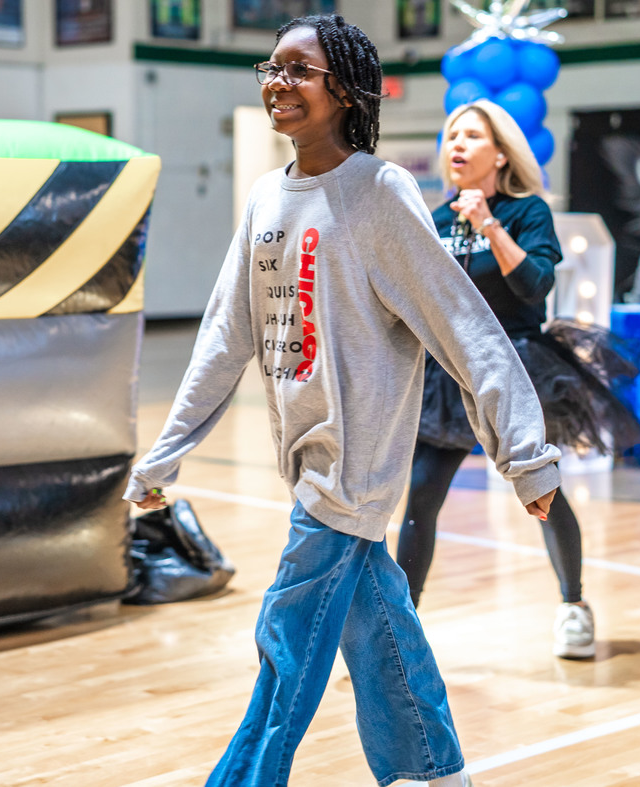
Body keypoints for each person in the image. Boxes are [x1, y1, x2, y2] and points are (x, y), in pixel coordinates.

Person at [124, 15, 561, 787]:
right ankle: (433, 771)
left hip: (351, 469)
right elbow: (225, 339)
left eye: (300, 69)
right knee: (377, 626)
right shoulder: (264, 200)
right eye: (273, 66)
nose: (278, 82)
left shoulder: (377, 192)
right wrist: (165, 455)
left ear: (346, 90)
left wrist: (524, 454)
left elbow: (464, 326)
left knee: (286, 642)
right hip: (305, 462)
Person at [396, 99, 640, 660]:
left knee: (544, 494)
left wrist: (487, 221)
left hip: (517, 368)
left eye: (471, 135)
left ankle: (574, 607)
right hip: (449, 375)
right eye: (451, 135)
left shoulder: (527, 212)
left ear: (500, 153)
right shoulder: (433, 222)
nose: (456, 144)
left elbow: (534, 286)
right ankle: (401, 631)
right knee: (421, 501)